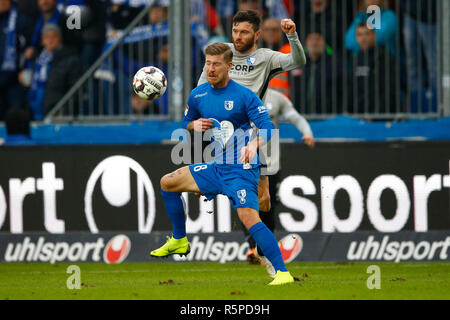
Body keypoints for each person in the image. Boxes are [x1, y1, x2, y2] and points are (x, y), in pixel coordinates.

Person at [150, 42, 295, 286]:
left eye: (217, 64)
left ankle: (282, 273)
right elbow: (185, 123)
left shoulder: (244, 95)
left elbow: (268, 127)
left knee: (250, 217)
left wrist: (254, 144)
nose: (211, 69)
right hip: (217, 167)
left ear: (229, 66)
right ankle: (179, 239)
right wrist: (191, 126)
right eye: (208, 63)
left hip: (242, 167)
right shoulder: (198, 95)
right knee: (168, 182)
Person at [196, 9, 306, 278]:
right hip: (227, 139)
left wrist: (291, 36)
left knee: (265, 200)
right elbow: (200, 93)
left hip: (256, 135)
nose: (238, 36)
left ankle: (260, 246)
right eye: (235, 31)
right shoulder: (222, 57)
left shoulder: (266, 58)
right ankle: (265, 253)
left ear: (257, 34)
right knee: (246, 196)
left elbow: (298, 60)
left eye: (244, 32)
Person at [245, 88, 315, 273]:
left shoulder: (277, 98)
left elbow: (295, 117)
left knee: (267, 206)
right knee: (245, 203)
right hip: (243, 161)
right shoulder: (239, 95)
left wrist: (307, 132)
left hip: (270, 164)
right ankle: (256, 247)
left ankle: (263, 249)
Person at [19, 23, 81, 120]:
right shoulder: (38, 60)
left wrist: (64, 112)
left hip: (55, 115)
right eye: (47, 37)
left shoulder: (70, 60)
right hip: (34, 113)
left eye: (54, 37)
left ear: (60, 39)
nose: (50, 40)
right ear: (43, 41)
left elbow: (75, 90)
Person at [349, 22, 397, 114]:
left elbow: (389, 89)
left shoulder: (383, 57)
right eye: (359, 34)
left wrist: (376, 114)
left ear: (374, 35)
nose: (363, 38)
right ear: (356, 38)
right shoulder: (356, 59)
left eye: (366, 34)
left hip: (379, 115)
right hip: (359, 114)